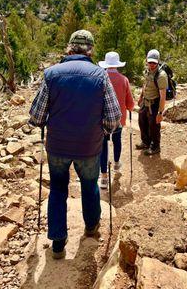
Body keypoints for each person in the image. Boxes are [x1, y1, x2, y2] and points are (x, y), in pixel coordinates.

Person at [29, 30, 121, 259]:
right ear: (90, 50)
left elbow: (36, 116)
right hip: (88, 145)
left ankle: (58, 242)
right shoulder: (101, 76)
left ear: (69, 48)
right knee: (89, 185)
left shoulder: (51, 74)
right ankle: (91, 227)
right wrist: (103, 132)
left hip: (58, 145)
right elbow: (113, 117)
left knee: (58, 189)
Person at [98, 52, 135, 189]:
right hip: (119, 118)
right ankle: (116, 163)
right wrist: (129, 107)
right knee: (117, 140)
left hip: (103, 118)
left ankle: (103, 177)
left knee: (103, 145)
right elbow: (130, 103)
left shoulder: (100, 78)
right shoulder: (124, 79)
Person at [136, 49, 168, 156]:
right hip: (145, 101)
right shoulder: (147, 71)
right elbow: (145, 85)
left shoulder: (161, 75)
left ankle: (155, 147)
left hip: (154, 103)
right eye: (150, 62)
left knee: (153, 126)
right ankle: (146, 142)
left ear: (158, 61)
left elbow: (163, 95)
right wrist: (141, 97)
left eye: (154, 62)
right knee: (142, 121)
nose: (152, 64)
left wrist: (160, 113)